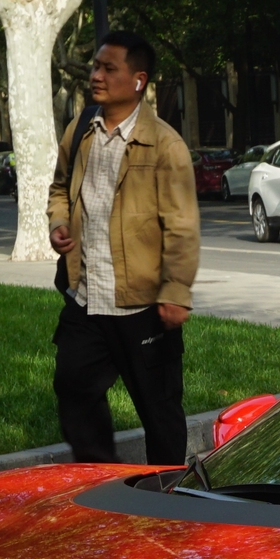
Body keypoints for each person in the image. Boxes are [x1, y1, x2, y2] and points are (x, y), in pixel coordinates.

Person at [48, 30, 199, 464]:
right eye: (96, 66)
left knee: (160, 412)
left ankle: (166, 496)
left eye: (108, 68)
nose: (96, 75)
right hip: (86, 299)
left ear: (138, 80)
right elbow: (59, 187)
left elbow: (182, 226)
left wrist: (175, 292)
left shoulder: (165, 144)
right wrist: (60, 223)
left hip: (142, 307)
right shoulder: (80, 129)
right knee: (73, 389)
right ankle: (103, 479)